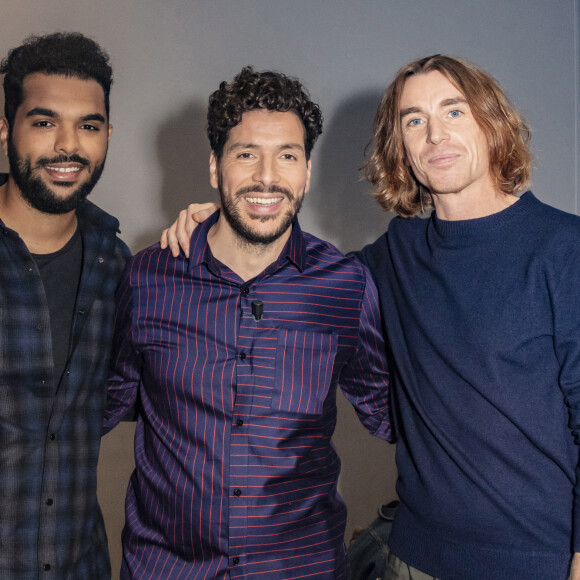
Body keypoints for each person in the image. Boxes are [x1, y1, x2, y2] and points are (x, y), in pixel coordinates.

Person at [164, 55, 580, 580]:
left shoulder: (566, 249)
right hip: (413, 558)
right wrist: (224, 218)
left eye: (454, 112)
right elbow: (295, 270)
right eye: (414, 120)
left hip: (541, 563)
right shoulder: (392, 256)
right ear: (399, 144)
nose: (434, 135)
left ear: (492, 122)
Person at [104, 66, 392, 579]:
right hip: (167, 569)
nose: (266, 176)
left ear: (307, 170)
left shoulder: (346, 288)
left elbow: (398, 418)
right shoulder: (148, 278)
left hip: (301, 569)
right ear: (216, 168)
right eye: (246, 154)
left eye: (287, 155)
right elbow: (98, 405)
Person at [0, 32, 131, 578]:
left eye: (89, 125)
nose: (68, 146)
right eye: (45, 121)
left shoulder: (116, 262)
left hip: (80, 564)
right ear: (5, 128)